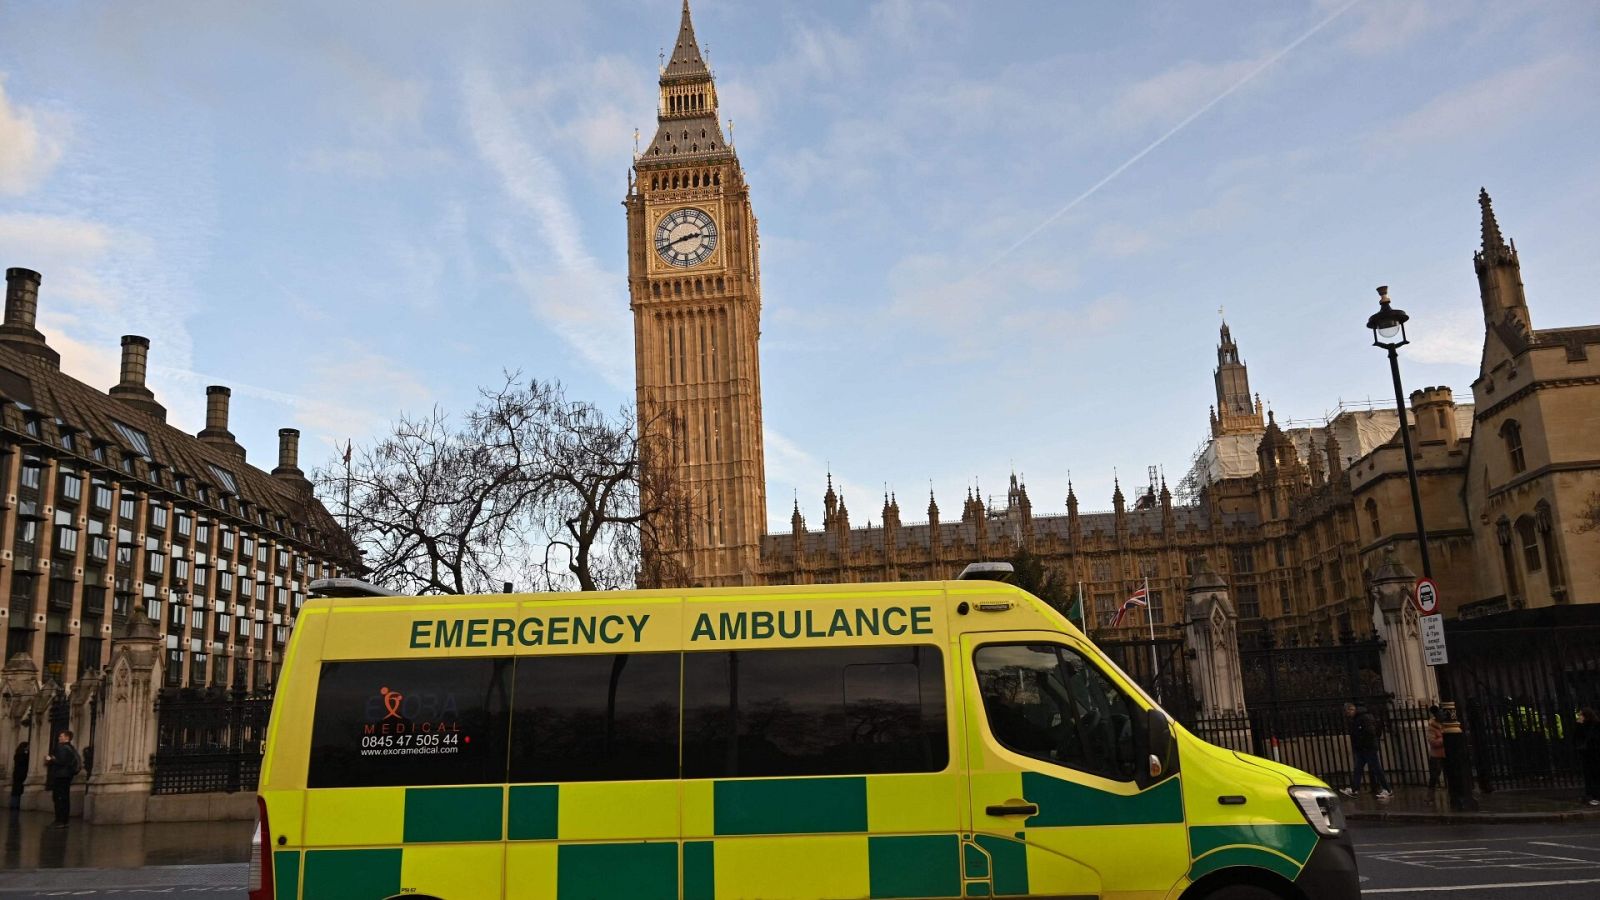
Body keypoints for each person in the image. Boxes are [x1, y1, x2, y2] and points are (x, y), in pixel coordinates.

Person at [1339, 702, 1392, 800]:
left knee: (1376, 769)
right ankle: (1354, 789)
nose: (1348, 715)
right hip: (1363, 748)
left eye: (1348, 712)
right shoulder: (1359, 718)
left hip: (1367, 748)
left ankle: (1387, 789)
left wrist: (1363, 742)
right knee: (1358, 769)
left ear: (1351, 709)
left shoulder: (1363, 718)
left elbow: (1370, 732)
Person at [44, 731, 80, 828]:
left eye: (61, 736)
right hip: (67, 776)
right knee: (65, 798)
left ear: (67, 737)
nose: (59, 737)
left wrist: (50, 759)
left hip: (60, 776)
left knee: (59, 798)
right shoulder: (71, 748)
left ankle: (59, 820)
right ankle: (64, 820)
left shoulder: (62, 747)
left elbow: (61, 761)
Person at [1576, 707, 1600, 807]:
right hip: (1587, 755)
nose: (1579, 716)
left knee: (1595, 775)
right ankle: (1591, 795)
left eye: (1581, 715)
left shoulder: (1596, 726)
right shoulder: (1582, 726)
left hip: (1595, 754)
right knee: (1589, 776)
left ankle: (1596, 797)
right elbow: (1576, 737)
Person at [1426, 705, 1447, 791]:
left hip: (1446, 754)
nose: (1443, 717)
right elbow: (1432, 741)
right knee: (1434, 777)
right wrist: (1444, 739)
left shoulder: (1446, 725)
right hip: (1436, 756)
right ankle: (1430, 795)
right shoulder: (1432, 728)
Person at [8, 741, 27, 810]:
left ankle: (13, 804)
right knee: (18, 790)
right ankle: (16, 805)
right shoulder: (24, 754)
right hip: (21, 773)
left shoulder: (17, 754)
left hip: (16, 773)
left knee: (15, 789)